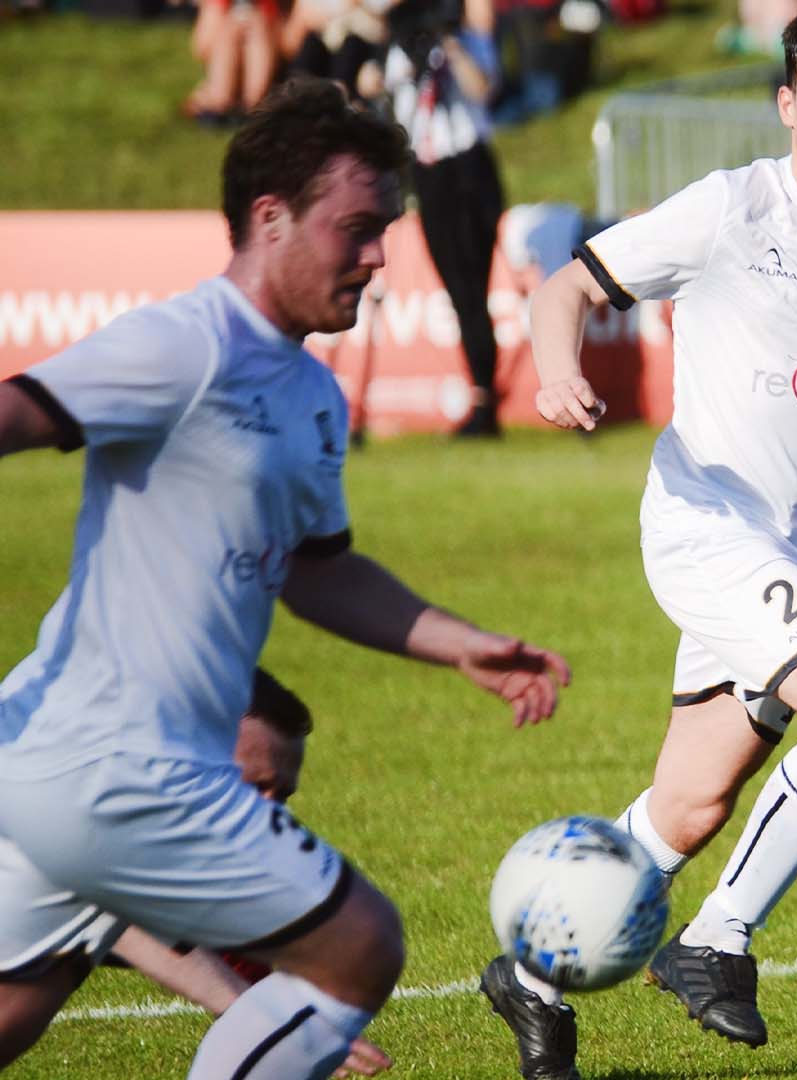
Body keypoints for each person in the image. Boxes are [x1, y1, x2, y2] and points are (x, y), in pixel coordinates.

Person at [0, 78, 571, 1078]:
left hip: (62, 777)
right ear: (271, 219)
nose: (379, 256)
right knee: (360, 948)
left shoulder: (308, 390)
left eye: (385, 231)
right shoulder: (185, 343)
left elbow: (318, 574)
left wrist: (459, 644)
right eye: (356, 228)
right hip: (127, 769)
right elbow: (16, 416)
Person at [476, 3, 797, 1077]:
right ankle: (716, 940)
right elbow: (564, 286)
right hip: (704, 530)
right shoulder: (730, 208)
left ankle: (528, 977)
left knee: (691, 801)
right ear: (785, 105)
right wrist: (561, 367)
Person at [110, 670, 393, 1078]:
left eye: (280, 796)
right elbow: (106, 911)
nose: (266, 812)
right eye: (251, 784)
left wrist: (277, 1029)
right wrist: (262, 1016)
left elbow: (250, 994)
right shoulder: (78, 796)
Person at [373, 0, 508, 436]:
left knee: (476, 289)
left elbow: (481, 89)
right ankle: (480, 392)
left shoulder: (471, 42)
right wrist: (409, 52)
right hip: (429, 172)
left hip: (471, 168)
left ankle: (485, 397)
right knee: (457, 292)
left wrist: (450, 43)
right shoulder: (405, 48)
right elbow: (374, 84)